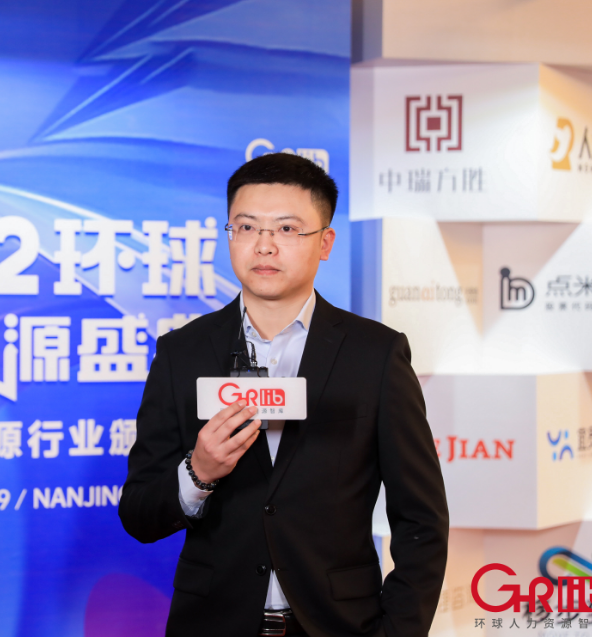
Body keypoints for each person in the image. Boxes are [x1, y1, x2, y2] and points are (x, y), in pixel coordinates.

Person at [119, 153, 449, 637]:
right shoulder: (181, 353)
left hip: (340, 625)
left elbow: (421, 519)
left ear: (325, 243)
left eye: (287, 229)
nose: (264, 245)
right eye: (246, 227)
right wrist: (198, 472)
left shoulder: (375, 355)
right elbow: (139, 515)